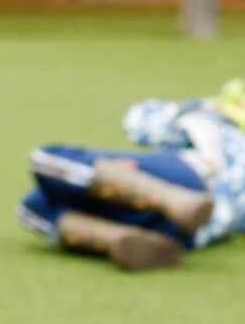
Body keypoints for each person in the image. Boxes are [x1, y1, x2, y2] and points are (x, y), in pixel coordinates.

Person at [19, 83, 245, 272]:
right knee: (36, 202)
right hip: (195, 232)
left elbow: (138, 123)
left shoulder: (215, 123)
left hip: (191, 176)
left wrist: (195, 111)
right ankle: (126, 237)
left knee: (46, 162)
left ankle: (167, 202)